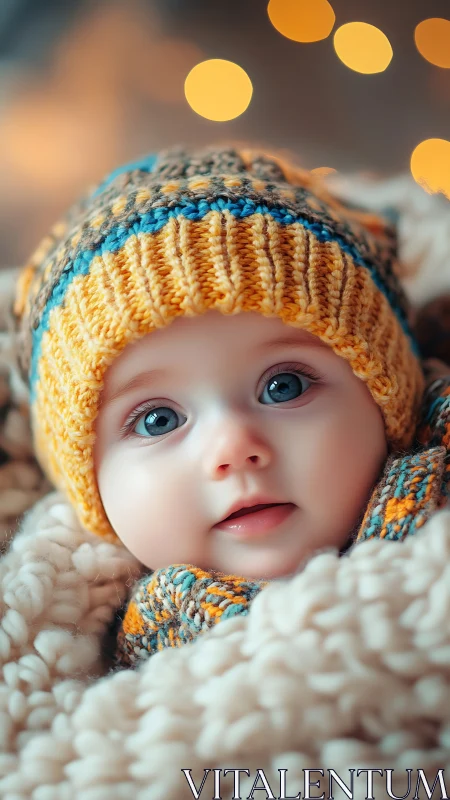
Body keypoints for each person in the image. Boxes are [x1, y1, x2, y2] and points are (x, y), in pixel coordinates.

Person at [13, 144, 447, 668]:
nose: (233, 448)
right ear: (91, 489)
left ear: (389, 400)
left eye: (284, 386)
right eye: (158, 420)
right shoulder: (62, 651)